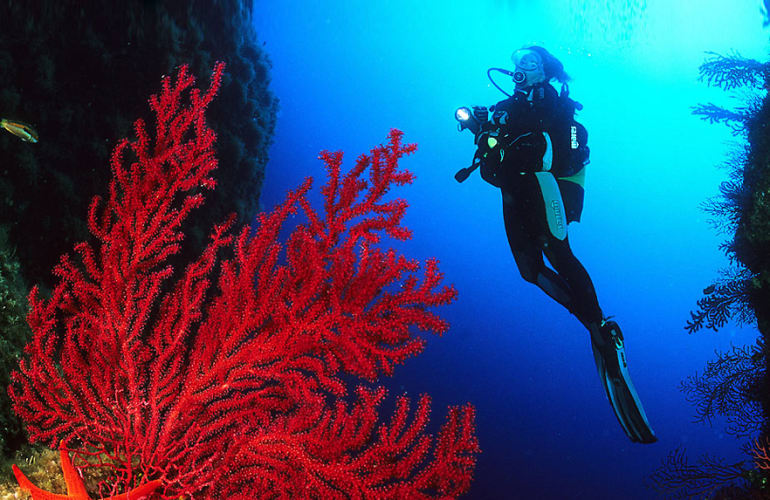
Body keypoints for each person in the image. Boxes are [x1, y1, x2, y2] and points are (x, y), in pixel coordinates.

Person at [466, 46, 656, 443]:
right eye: (518, 62)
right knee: (529, 271)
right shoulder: (504, 107)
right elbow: (488, 169)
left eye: (530, 64)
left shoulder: (556, 103)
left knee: (559, 253)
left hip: (545, 184)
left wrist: (519, 138)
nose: (520, 68)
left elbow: (560, 154)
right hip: (514, 192)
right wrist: (483, 130)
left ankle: (602, 328)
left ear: (545, 71)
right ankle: (593, 325)